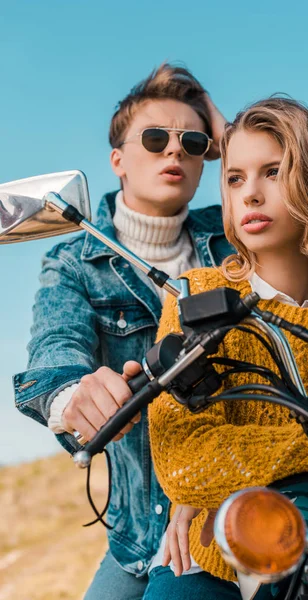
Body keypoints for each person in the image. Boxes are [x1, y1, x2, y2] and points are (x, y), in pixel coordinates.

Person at [144, 96, 308, 599]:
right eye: (235, 178)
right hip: (228, 558)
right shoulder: (196, 296)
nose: (250, 195)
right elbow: (185, 460)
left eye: (273, 172)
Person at [13, 63, 233, 600]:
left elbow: (290, 179)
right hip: (139, 535)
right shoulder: (73, 260)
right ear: (118, 161)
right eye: (155, 138)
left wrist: (228, 130)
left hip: (239, 508)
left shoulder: (235, 238)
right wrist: (73, 397)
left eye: (194, 141)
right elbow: (54, 352)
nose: (174, 152)